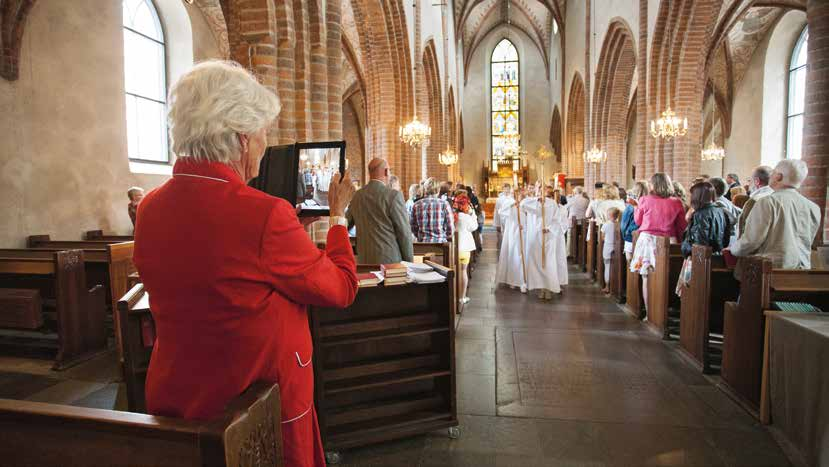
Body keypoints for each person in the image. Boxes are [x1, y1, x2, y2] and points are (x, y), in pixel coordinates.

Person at [133, 61, 358, 467]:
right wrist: (338, 217)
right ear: (240, 139)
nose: (263, 146)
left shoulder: (149, 207)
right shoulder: (264, 215)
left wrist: (288, 227)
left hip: (181, 400)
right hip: (252, 411)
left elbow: (219, 269)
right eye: (262, 135)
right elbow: (340, 287)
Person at [728, 159, 820, 274]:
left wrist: (733, 249)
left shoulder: (767, 202)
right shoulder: (813, 207)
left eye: (773, 173)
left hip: (770, 270)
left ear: (778, 176)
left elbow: (751, 241)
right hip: (801, 270)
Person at [631, 173, 687, 320]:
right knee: (668, 276)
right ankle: (666, 312)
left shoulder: (645, 199)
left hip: (648, 240)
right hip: (669, 241)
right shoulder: (677, 202)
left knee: (647, 277)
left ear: (653, 185)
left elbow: (637, 221)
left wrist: (637, 207)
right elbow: (682, 226)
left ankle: (650, 314)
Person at [346, 158, 414, 264]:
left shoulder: (357, 196)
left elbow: (345, 225)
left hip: (364, 261)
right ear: (386, 171)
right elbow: (404, 232)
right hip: (390, 261)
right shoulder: (393, 196)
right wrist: (409, 262)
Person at [522, 186, 569, 299]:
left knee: (549, 263)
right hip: (536, 237)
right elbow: (523, 204)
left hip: (548, 237)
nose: (543, 196)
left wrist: (549, 228)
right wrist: (536, 199)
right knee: (539, 263)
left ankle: (548, 288)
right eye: (541, 193)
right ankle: (541, 287)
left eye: (546, 194)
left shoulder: (552, 204)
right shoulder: (534, 203)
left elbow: (557, 220)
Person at [680, 182, 730, 258]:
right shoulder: (721, 211)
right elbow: (726, 238)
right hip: (718, 255)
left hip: (702, 259)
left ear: (697, 196)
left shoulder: (700, 214)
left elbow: (699, 244)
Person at [496, 190, 527, 291]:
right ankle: (512, 280)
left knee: (523, 255)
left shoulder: (526, 203)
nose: (520, 196)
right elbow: (501, 212)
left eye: (521, 195)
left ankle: (523, 280)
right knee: (514, 254)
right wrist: (512, 206)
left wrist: (525, 225)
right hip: (513, 232)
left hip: (524, 231)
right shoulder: (509, 203)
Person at [411, 177, 455, 243]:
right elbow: (450, 227)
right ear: (438, 190)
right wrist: (445, 236)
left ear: (425, 189)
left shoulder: (416, 205)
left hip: (422, 244)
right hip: (440, 244)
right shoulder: (444, 204)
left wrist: (420, 236)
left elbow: (413, 227)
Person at [454, 193, 478, 306]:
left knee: (453, 272)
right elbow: (474, 227)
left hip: (453, 248)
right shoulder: (466, 217)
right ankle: (462, 297)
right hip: (464, 248)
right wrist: (472, 214)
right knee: (463, 271)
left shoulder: (452, 215)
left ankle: (453, 295)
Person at [737, 165, 773, 237]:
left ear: (757, 181)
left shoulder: (755, 200)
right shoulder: (779, 196)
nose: (749, 183)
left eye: (750, 180)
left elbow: (746, 231)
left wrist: (737, 247)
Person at [621, 181, 648, 260]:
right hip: (644, 237)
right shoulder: (648, 205)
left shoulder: (631, 206)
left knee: (630, 262)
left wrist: (625, 236)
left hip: (630, 236)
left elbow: (623, 225)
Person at [601, 207, 622, 293]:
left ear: (609, 215)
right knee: (616, 267)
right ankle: (616, 286)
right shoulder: (619, 225)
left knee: (607, 266)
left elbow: (602, 237)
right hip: (616, 248)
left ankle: (607, 286)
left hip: (607, 247)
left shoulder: (606, 225)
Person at [494, 184, 514, 249]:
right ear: (503, 189)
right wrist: (497, 224)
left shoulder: (512, 198)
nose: (506, 190)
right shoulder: (499, 199)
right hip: (502, 219)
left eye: (508, 189)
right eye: (505, 189)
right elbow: (496, 211)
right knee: (503, 234)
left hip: (511, 219)